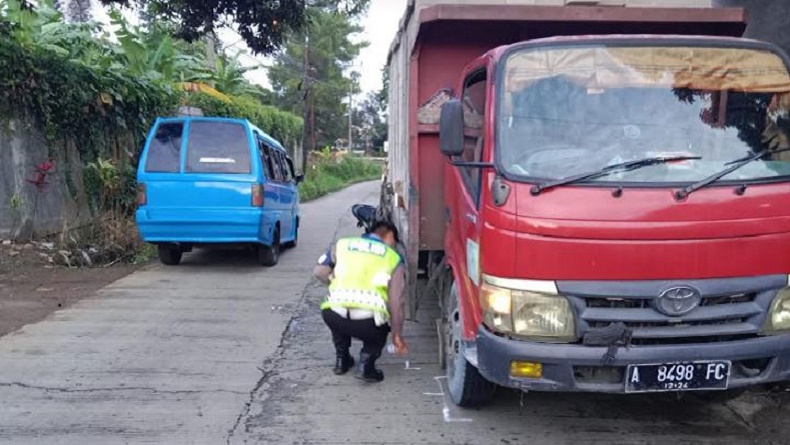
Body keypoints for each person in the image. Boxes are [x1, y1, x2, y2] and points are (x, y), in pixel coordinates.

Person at [314, 220, 408, 383]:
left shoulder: (342, 244)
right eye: (394, 241)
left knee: (338, 316)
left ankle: (341, 360)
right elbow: (396, 302)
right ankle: (366, 365)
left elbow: (319, 272)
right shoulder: (393, 258)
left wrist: (335, 284)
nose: (394, 245)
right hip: (367, 322)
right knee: (378, 334)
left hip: (332, 314)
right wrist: (397, 334)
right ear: (389, 235)